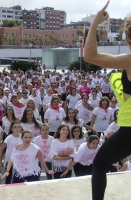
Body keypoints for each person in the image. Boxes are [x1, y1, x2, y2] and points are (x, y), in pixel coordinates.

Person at [83, 2, 131, 200]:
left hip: (130, 128)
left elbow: (89, 55)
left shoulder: (129, 61)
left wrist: (95, 23)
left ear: (128, 37)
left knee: (100, 164)